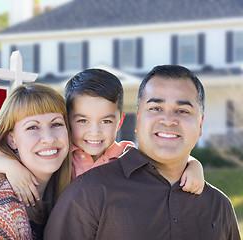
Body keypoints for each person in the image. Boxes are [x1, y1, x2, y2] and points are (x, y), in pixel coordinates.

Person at [43, 65, 241, 240]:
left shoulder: (219, 206)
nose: (168, 120)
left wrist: (194, 163)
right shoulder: (88, 191)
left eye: (182, 111)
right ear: (137, 120)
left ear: (200, 125)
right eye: (155, 108)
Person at [0, 68, 205, 207]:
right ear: (67, 121)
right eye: (82, 121)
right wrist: (12, 168)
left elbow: (164, 162)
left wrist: (194, 165)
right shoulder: (60, 155)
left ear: (120, 121)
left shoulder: (127, 155)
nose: (94, 132)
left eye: (106, 121)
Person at [0, 83, 72, 240]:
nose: (49, 138)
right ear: (12, 140)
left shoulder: (67, 187)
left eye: (56, 124)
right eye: (32, 127)